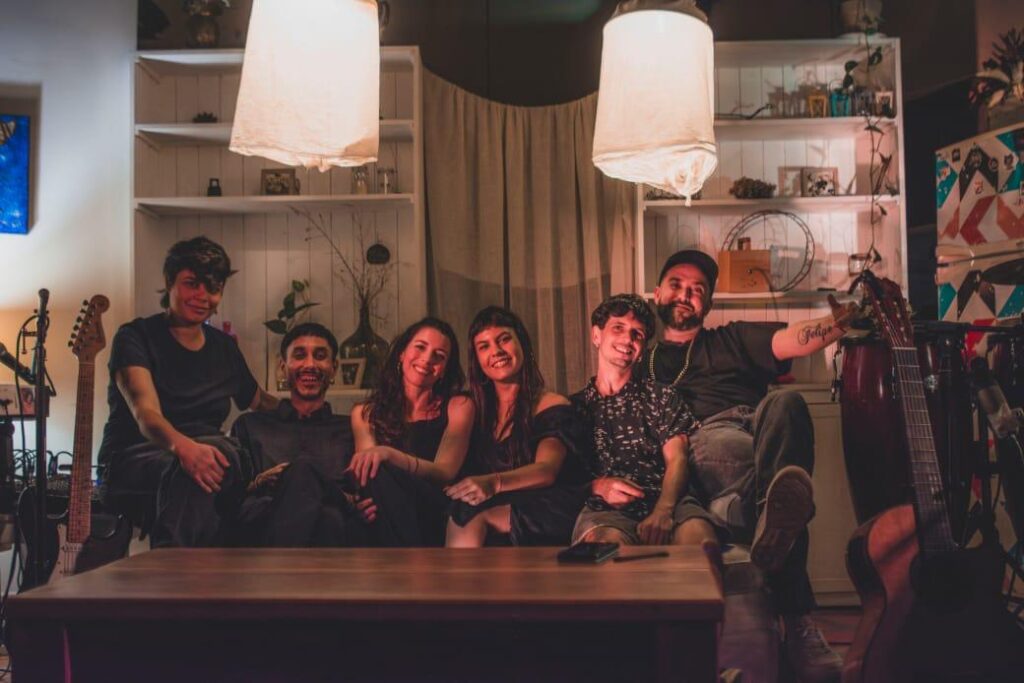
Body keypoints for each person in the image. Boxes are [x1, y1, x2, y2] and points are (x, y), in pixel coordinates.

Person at [639, 249, 857, 681]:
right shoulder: (640, 360)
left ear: (708, 304)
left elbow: (792, 339)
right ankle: (797, 620)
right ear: (658, 293)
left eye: (698, 289)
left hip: (761, 434)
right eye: (677, 284)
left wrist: (840, 323)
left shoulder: (731, 339)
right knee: (775, 489)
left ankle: (769, 525)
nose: (686, 294)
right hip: (709, 439)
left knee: (787, 402)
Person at [98, 237, 278, 548]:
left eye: (213, 287)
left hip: (209, 457)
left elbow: (258, 400)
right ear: (170, 282)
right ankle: (174, 564)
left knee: (227, 463)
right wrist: (185, 449)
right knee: (204, 464)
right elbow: (146, 413)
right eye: (192, 284)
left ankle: (184, 567)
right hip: (136, 459)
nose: (202, 296)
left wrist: (305, 409)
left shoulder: (224, 347)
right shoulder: (135, 337)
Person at [571, 294, 722, 556]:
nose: (627, 339)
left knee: (701, 547)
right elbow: (561, 479)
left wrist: (663, 510)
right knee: (605, 552)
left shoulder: (661, 396)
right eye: (618, 328)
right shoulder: (573, 408)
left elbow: (677, 458)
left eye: (637, 334)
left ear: (642, 349)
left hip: (670, 502)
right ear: (596, 335)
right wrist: (598, 486)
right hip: (605, 510)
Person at [446, 306, 588, 547]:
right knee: (460, 507)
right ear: (477, 360)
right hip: (492, 502)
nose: (496, 351)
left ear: (522, 343)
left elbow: (546, 470)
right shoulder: (472, 408)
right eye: (484, 346)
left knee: (468, 512)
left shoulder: (550, 404)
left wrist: (493, 483)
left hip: (544, 505)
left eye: (504, 339)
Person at [231, 322, 372, 547]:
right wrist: (260, 481)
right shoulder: (251, 425)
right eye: (299, 355)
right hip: (263, 523)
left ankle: (283, 569)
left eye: (320, 356)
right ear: (283, 367)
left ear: (334, 368)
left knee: (327, 514)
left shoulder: (350, 429)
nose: (310, 365)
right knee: (316, 496)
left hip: (333, 529)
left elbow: (365, 493)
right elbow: (232, 495)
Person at [349, 317, 474, 546]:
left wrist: (389, 454)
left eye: (439, 356)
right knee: (375, 475)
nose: (427, 359)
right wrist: (359, 503)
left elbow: (445, 472)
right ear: (402, 353)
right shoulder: (364, 413)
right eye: (420, 347)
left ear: (444, 370)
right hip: (388, 506)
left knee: (381, 465)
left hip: (435, 507)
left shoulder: (459, 406)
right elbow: (367, 472)